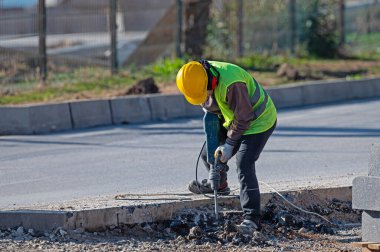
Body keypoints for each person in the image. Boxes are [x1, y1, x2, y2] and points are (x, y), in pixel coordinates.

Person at [176, 60, 277, 234]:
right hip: (234, 120)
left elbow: (244, 117)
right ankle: (220, 185)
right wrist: (218, 140)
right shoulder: (199, 76)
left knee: (244, 164)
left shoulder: (232, 83)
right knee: (209, 152)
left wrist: (229, 144)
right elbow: (215, 110)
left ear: (211, 82)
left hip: (258, 121)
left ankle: (252, 220)